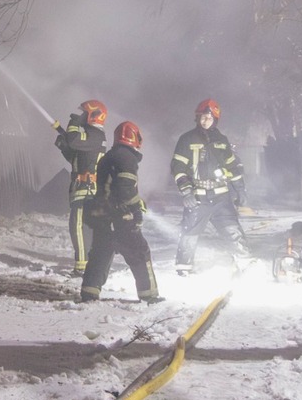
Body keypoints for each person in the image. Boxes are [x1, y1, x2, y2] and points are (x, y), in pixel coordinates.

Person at [81, 121, 162, 303]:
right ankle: (149, 295)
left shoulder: (108, 156)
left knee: (101, 253)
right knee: (140, 252)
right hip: (120, 216)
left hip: (102, 214)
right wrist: (135, 209)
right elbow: (125, 188)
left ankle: (89, 292)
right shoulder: (127, 157)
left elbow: (110, 188)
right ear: (135, 138)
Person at [171, 98, 245, 273]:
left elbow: (232, 166)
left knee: (233, 232)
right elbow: (178, 167)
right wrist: (186, 191)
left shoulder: (221, 140)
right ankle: (184, 269)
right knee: (189, 234)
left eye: (209, 118)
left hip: (221, 196)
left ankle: (246, 263)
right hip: (198, 197)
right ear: (197, 118)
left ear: (215, 120)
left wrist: (240, 188)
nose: (205, 121)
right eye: (203, 117)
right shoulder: (186, 139)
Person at [54, 99, 107, 273]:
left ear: (94, 115)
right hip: (82, 188)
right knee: (80, 227)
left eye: (84, 113)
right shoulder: (92, 137)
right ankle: (85, 264)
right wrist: (64, 146)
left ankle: (82, 267)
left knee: (77, 227)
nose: (82, 116)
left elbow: (75, 139)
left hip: (86, 190)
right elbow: (77, 159)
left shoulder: (95, 135)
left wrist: (73, 124)